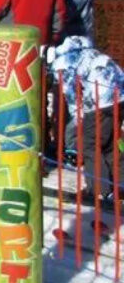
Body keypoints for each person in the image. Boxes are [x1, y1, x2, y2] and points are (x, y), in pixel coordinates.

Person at [48, 34, 124, 210]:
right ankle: (120, 185)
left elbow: (72, 95)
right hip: (120, 98)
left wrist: (78, 118)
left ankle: (98, 190)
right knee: (110, 144)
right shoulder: (94, 54)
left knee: (89, 145)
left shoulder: (64, 63)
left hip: (100, 102)